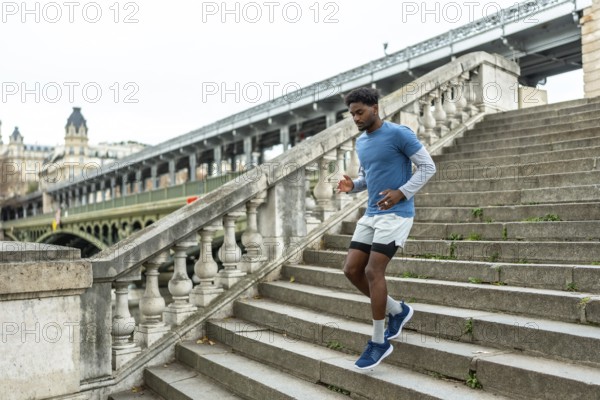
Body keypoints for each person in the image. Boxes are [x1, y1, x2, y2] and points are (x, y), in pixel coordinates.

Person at [337, 87, 436, 369]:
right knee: (351, 270)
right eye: (352, 113)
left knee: (372, 270)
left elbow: (428, 167)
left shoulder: (399, 134)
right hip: (371, 214)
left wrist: (402, 192)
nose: (356, 118)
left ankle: (379, 342)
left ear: (375, 108)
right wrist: (352, 186)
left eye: (360, 112)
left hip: (398, 214)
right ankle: (397, 310)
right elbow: (369, 178)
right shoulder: (361, 143)